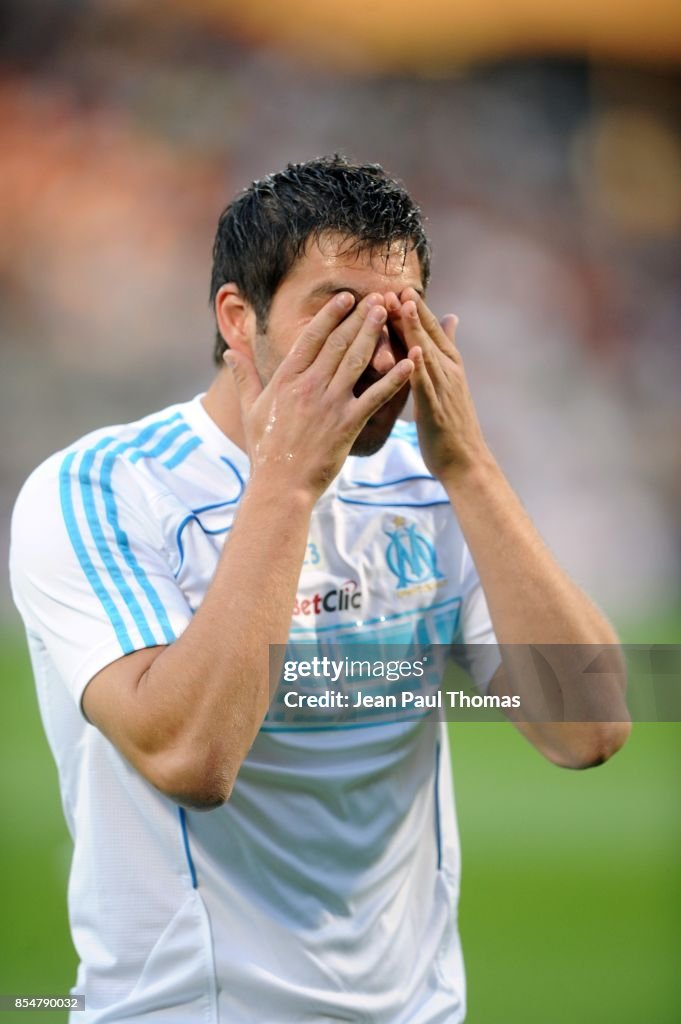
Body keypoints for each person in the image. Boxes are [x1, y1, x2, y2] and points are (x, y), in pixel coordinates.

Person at [9, 155, 630, 1024]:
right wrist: (286, 483)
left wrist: (472, 469)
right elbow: (189, 759)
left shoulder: (431, 484)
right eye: (336, 312)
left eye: (397, 317)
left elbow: (586, 727)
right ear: (238, 317)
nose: (375, 353)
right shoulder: (101, 491)